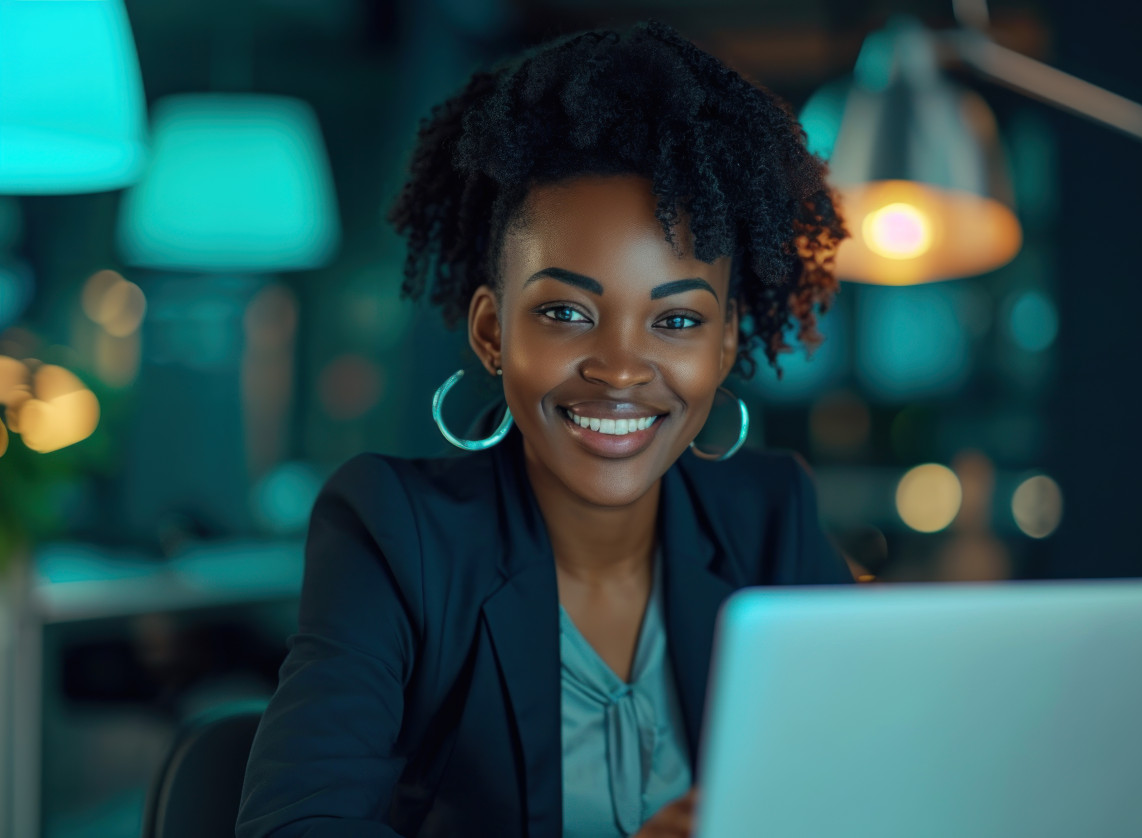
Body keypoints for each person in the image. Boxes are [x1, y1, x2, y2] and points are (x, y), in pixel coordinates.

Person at [236, 20, 853, 838]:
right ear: (493, 332)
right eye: (566, 313)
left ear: (727, 342)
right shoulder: (393, 534)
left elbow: (868, 788)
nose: (623, 368)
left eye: (676, 322)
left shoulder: (769, 519)